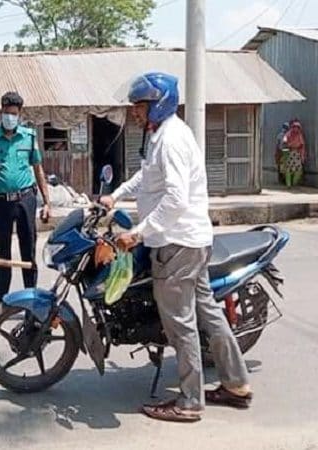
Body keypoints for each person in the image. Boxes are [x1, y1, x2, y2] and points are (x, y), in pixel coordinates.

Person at [100, 72, 253, 423]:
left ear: (159, 103)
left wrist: (137, 234)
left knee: (180, 325)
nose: (135, 113)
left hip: (177, 244)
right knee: (209, 315)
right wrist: (116, 195)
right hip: (191, 241)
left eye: (140, 106)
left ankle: (189, 401)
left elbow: (175, 199)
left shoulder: (170, 140)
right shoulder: (160, 135)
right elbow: (147, 177)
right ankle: (236, 384)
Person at [0, 91, 51, 304]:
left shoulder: (29, 137)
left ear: (20, 113)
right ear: (1, 112)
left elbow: (38, 169)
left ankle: (31, 297)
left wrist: (47, 202)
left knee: (29, 250)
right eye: (6, 113)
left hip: (26, 199)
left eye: (13, 113)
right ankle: (2, 300)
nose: (9, 117)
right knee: (3, 253)